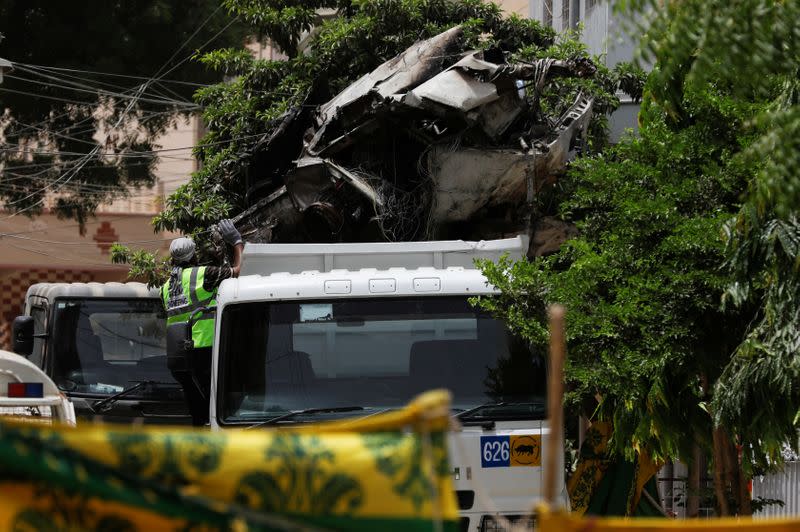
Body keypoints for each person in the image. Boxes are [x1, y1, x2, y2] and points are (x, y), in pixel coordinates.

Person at [162, 219, 243, 426]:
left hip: (179, 357)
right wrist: (236, 242)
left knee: (198, 411)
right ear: (194, 255)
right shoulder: (204, 274)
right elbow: (238, 271)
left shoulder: (166, 286)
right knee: (218, 408)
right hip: (204, 350)